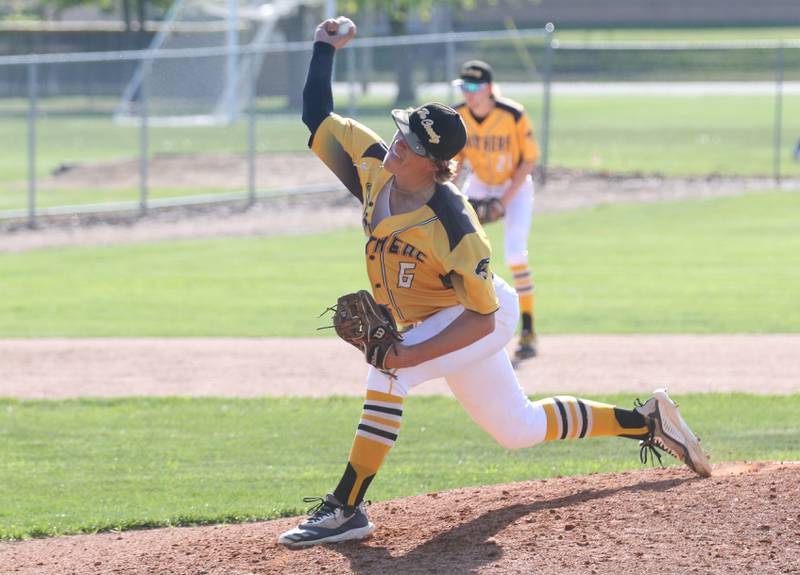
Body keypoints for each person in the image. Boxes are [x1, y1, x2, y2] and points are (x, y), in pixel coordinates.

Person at [277, 17, 711, 548]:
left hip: (479, 315)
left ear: (436, 165)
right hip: (443, 316)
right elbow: (316, 117)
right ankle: (644, 420)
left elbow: (482, 317)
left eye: (409, 144)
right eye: (400, 132)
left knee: (389, 372)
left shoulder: (457, 228)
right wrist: (324, 48)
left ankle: (346, 507)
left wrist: (409, 357)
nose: (396, 145)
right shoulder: (374, 163)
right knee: (517, 427)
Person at [452, 60, 540, 360]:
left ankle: (527, 329)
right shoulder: (460, 115)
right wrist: (449, 194)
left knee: (515, 255)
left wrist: (504, 201)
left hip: (514, 185)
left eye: (474, 87)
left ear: (489, 89)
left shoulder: (512, 114)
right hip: (479, 183)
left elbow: (529, 160)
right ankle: (458, 321)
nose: (469, 93)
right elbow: (457, 161)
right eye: (464, 87)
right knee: (455, 244)